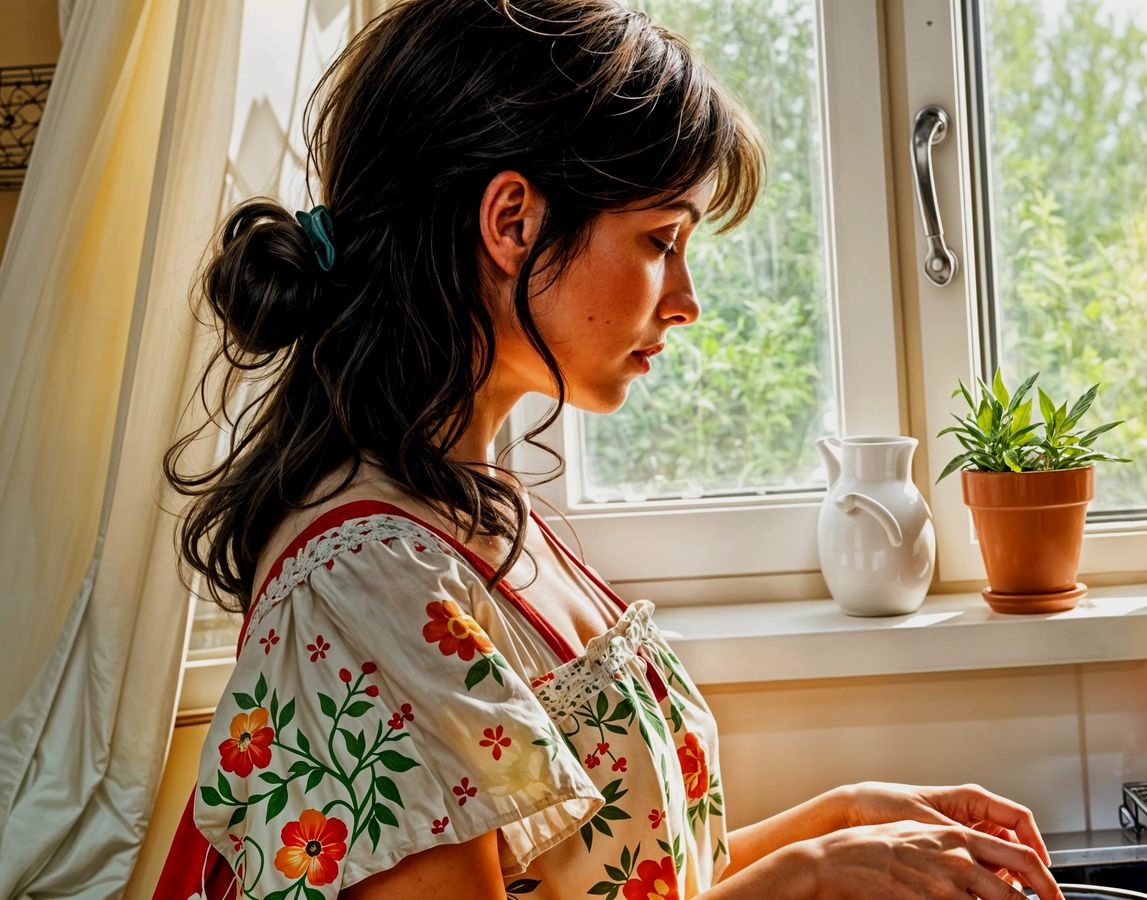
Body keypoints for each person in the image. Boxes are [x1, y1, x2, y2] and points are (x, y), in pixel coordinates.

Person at [151, 1, 1066, 897]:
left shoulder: (462, 510)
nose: (686, 299)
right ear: (512, 222)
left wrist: (839, 823)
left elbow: (610, 877)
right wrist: (807, 879)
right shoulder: (357, 587)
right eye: (661, 240)